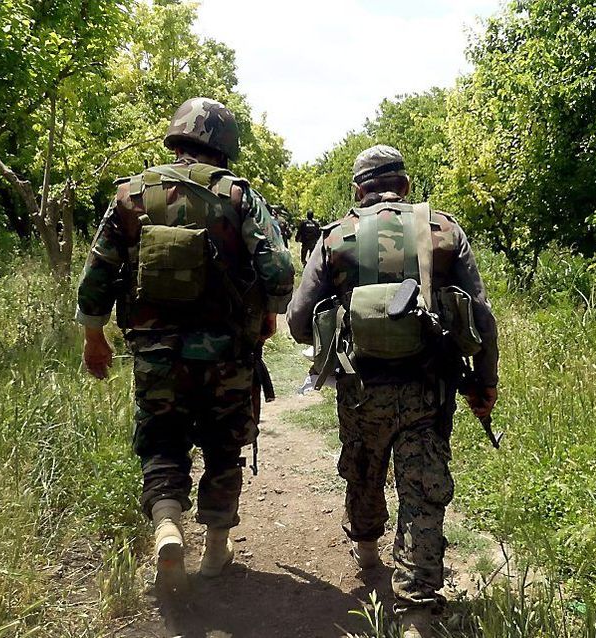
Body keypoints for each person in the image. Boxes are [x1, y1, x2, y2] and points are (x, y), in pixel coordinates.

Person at [75, 97, 294, 587]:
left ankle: (167, 521)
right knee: (223, 446)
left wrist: (95, 335)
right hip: (227, 354)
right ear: (225, 144)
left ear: (175, 137)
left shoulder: (130, 195)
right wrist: (267, 318)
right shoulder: (239, 196)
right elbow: (278, 269)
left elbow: (99, 272)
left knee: (161, 438)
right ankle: (216, 548)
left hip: (156, 352)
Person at [286, 145, 499, 637]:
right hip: (428, 388)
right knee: (423, 492)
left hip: (361, 388)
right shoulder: (442, 230)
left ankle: (365, 547)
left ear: (358, 190)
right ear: (405, 186)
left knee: (363, 467)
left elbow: (298, 322)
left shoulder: (335, 237)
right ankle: (417, 613)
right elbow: (482, 318)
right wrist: (485, 384)